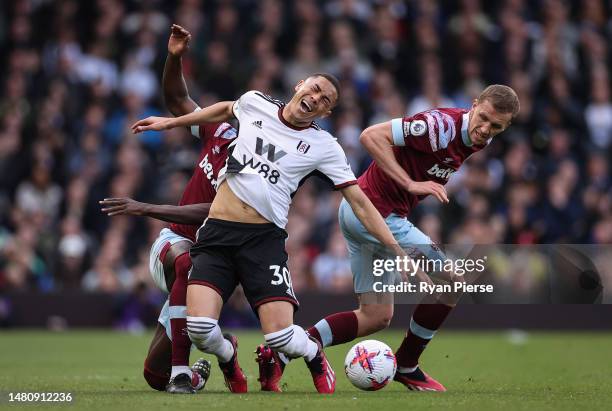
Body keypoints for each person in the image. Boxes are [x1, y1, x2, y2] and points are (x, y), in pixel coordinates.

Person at [131, 73, 407, 394]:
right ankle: (228, 354)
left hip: (263, 241)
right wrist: (170, 123)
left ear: (325, 113)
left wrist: (395, 247)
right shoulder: (255, 103)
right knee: (200, 329)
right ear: (300, 84)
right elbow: (224, 109)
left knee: (281, 337)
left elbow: (358, 200)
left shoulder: (324, 146)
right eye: (315, 89)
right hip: (217, 235)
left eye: (325, 101)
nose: (316, 98)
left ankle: (314, 353)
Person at [256, 85, 520, 392]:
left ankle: (285, 352)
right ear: (474, 105)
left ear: (506, 126)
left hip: (361, 213)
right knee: (450, 283)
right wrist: (410, 183)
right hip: (376, 214)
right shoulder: (438, 126)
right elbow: (370, 136)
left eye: (496, 127)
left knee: (375, 316)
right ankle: (407, 366)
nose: (485, 129)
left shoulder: (479, 139)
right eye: (484, 118)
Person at [101, 24, 237, 394]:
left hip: (216, 263)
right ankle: (188, 367)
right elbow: (178, 101)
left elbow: (214, 211)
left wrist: (143, 207)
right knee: (186, 261)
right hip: (174, 244)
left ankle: (215, 355)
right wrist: (174, 58)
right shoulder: (222, 131)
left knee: (151, 376)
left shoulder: (258, 168)